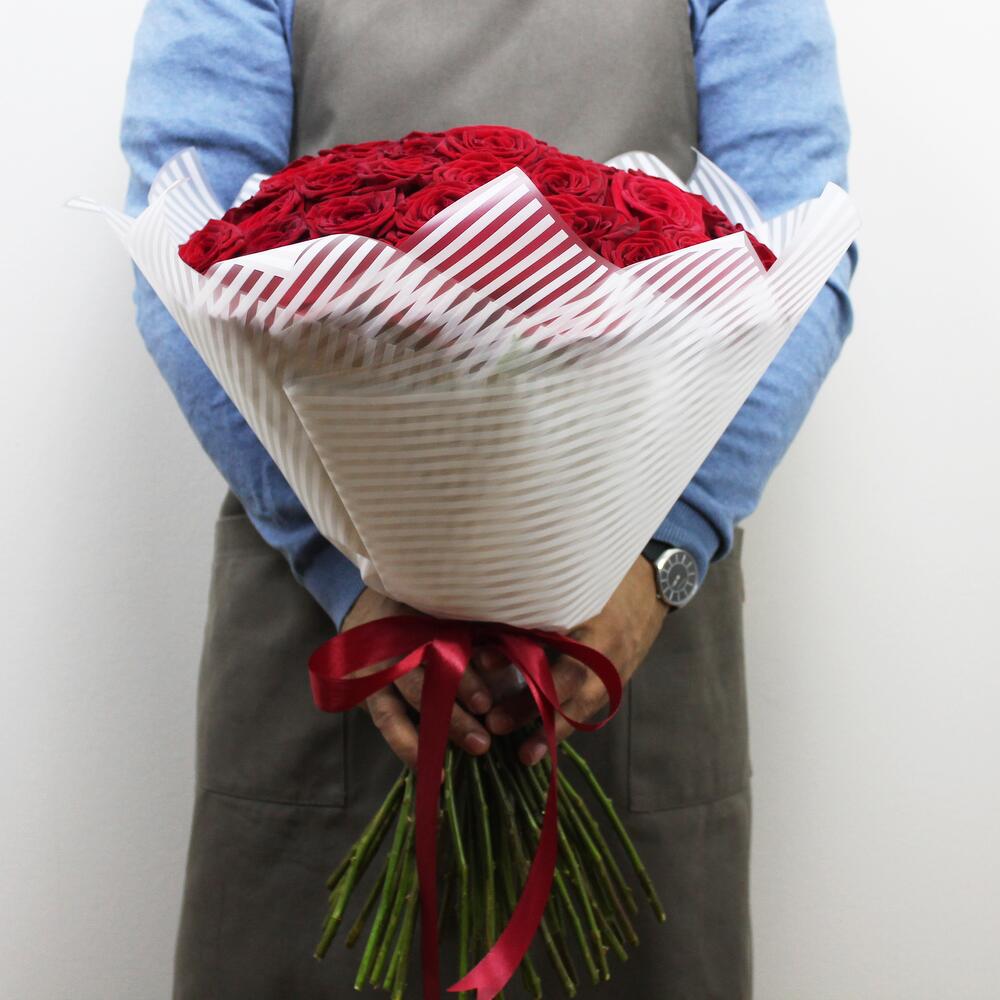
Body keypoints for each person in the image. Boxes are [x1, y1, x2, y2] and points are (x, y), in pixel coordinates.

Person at [121, 1, 855, 996]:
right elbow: (184, 253)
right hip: (333, 635)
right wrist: (350, 581)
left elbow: (799, 261)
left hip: (625, 638)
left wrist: (662, 561)